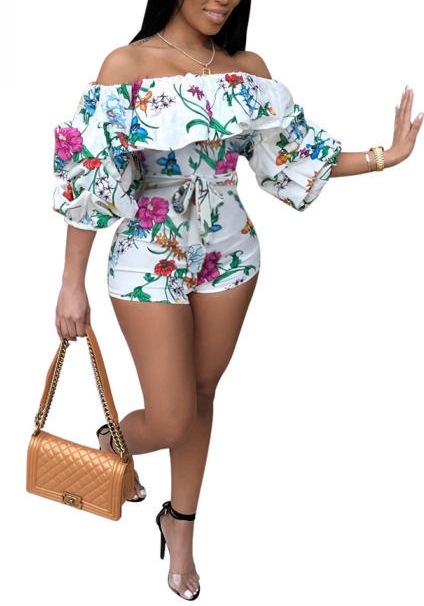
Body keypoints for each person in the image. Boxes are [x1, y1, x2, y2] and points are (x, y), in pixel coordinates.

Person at [53, 0, 422, 600]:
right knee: (171, 415)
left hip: (229, 250)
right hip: (149, 250)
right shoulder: (126, 65)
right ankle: (114, 441)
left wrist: (386, 156)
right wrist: (72, 284)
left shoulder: (247, 69)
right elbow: (89, 178)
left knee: (201, 394)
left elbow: (291, 159)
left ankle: (180, 525)